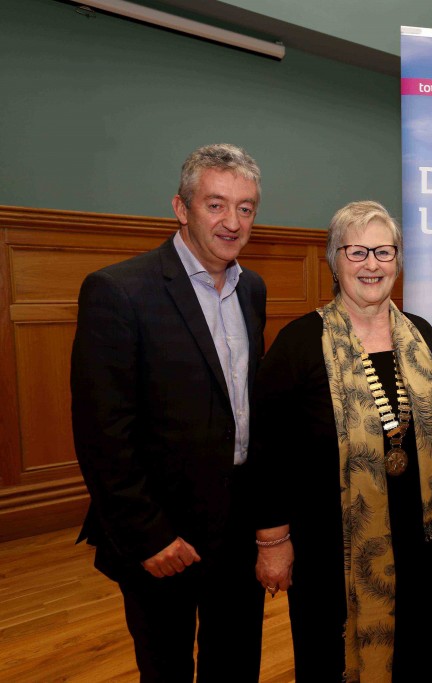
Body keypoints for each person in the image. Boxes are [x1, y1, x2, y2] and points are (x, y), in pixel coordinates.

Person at [248, 200, 432, 682]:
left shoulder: (422, 332)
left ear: (397, 260)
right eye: (357, 252)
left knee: (417, 655)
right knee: (330, 661)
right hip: (333, 549)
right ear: (334, 260)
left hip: (422, 537)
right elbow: (267, 450)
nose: (371, 265)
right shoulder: (298, 343)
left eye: (383, 251)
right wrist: (272, 539)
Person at [70, 143, 267, 681]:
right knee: (167, 670)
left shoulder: (252, 289)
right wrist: (147, 535)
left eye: (246, 207)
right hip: (164, 535)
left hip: (236, 528)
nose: (233, 222)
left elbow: (244, 408)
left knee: (236, 665)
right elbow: (102, 430)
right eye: (216, 205)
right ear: (181, 208)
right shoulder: (118, 291)